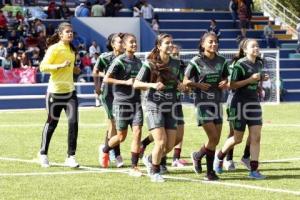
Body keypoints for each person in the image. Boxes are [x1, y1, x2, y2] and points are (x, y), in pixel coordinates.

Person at [213, 38, 269, 179]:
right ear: (245, 50)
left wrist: (262, 78)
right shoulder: (239, 64)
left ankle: (254, 170)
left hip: (253, 103)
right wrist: (251, 80)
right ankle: (219, 157)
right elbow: (231, 85)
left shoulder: (259, 63)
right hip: (238, 104)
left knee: (256, 137)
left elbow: (256, 80)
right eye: (253, 46)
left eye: (257, 46)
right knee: (237, 138)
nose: (256, 48)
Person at [134, 33, 184, 182]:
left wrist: (182, 87)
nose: (169, 45)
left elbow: (179, 83)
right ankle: (155, 172)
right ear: (158, 46)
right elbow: (136, 83)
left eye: (171, 42)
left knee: (169, 145)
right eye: (166, 43)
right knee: (160, 142)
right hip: (153, 105)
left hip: (171, 106)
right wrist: (152, 85)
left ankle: (150, 159)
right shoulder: (149, 63)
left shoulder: (176, 63)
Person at [184, 32, 229, 181]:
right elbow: (184, 82)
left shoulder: (222, 61)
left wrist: (225, 82)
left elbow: (226, 78)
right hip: (203, 103)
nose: (214, 44)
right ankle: (210, 173)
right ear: (203, 44)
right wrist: (197, 84)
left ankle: (197, 156)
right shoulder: (196, 61)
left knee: (215, 140)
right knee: (213, 137)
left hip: (217, 102)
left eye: (215, 42)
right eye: (210, 42)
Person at [38, 22, 81, 168]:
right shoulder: (54, 48)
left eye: (72, 32)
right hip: (55, 93)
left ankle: (71, 156)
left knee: (73, 123)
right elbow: (43, 67)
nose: (70, 34)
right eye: (67, 32)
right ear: (60, 34)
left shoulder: (72, 50)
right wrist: (59, 66)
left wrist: (74, 70)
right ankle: (43, 153)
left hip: (70, 93)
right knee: (52, 123)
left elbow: (70, 69)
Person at [101, 33, 143, 176]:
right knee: (121, 137)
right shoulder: (119, 61)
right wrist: (124, 82)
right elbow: (106, 79)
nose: (134, 44)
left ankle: (134, 166)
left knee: (137, 133)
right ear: (124, 46)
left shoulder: (140, 63)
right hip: (121, 103)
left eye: (135, 42)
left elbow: (141, 82)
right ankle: (105, 149)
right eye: (131, 42)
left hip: (136, 103)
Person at [93, 33, 124, 168]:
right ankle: (115, 154)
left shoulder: (126, 58)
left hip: (122, 93)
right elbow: (95, 71)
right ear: (112, 44)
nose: (122, 44)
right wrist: (97, 86)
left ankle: (107, 148)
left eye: (123, 42)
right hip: (108, 93)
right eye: (119, 42)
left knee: (117, 125)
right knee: (113, 123)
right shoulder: (104, 57)